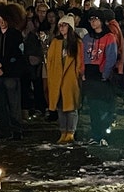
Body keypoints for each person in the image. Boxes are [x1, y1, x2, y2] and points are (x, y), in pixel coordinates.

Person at [0, 3, 26, 140]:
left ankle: (16, 129)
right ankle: (3, 129)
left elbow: (16, 54)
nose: (1, 23)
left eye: (4, 20)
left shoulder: (15, 34)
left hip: (11, 75)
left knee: (13, 103)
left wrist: (2, 66)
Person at [44, 14, 84, 144]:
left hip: (70, 78)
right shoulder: (56, 42)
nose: (61, 28)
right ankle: (63, 131)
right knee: (60, 106)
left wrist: (78, 74)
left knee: (71, 107)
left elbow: (79, 61)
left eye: (64, 25)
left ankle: (71, 131)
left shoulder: (77, 43)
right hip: (57, 78)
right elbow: (50, 61)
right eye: (60, 25)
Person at [82, 9, 118, 145]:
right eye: (91, 20)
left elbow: (111, 57)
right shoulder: (87, 38)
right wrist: (83, 72)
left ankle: (104, 135)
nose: (93, 22)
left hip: (102, 78)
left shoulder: (109, 37)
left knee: (104, 108)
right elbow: (83, 56)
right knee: (93, 108)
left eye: (95, 19)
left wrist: (105, 74)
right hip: (90, 77)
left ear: (101, 21)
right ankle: (96, 135)